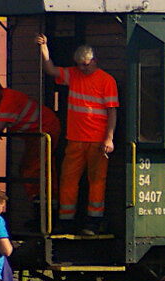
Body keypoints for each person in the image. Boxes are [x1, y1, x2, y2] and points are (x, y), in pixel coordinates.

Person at [36, 33, 119, 235]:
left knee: (97, 182)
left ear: (94, 61)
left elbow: (112, 111)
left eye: (86, 64)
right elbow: (50, 69)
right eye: (80, 64)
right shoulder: (73, 74)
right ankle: (66, 221)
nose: (83, 68)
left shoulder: (106, 80)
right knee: (68, 181)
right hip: (75, 139)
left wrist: (109, 138)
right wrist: (44, 48)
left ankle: (93, 222)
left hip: (97, 141)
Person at [0, 75, 62, 218]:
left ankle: (46, 209)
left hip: (45, 130)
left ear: (0, 89)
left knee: (33, 170)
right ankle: (41, 207)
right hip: (33, 136)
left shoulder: (9, 98)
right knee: (29, 170)